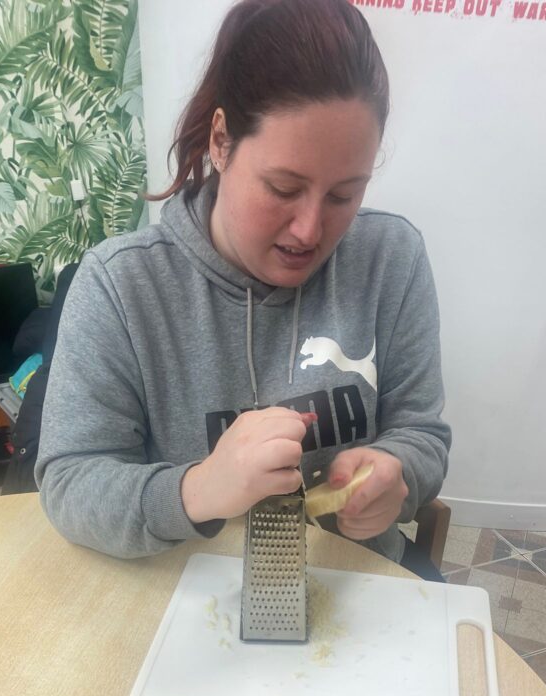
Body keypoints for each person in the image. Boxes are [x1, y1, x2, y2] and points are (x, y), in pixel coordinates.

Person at [36, 0, 451, 576]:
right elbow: (71, 482)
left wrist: (395, 472)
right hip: (185, 594)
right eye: (283, 188)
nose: (310, 229)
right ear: (222, 141)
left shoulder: (392, 259)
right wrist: (199, 489)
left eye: (343, 195)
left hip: (356, 587)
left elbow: (422, 434)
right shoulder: (121, 286)